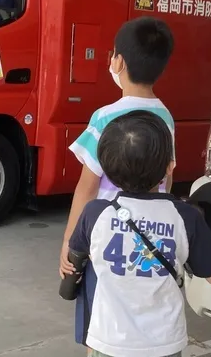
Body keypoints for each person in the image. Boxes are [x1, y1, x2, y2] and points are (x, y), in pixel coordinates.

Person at [68, 110, 211, 357]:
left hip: (107, 341)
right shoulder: (185, 217)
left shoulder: (95, 213)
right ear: (170, 166)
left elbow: (75, 255)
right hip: (163, 343)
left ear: (107, 172)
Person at [60, 16, 175, 278]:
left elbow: (87, 187)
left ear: (119, 62)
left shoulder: (104, 117)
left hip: (105, 230)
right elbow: (167, 180)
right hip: (147, 234)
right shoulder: (166, 117)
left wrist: (69, 240)